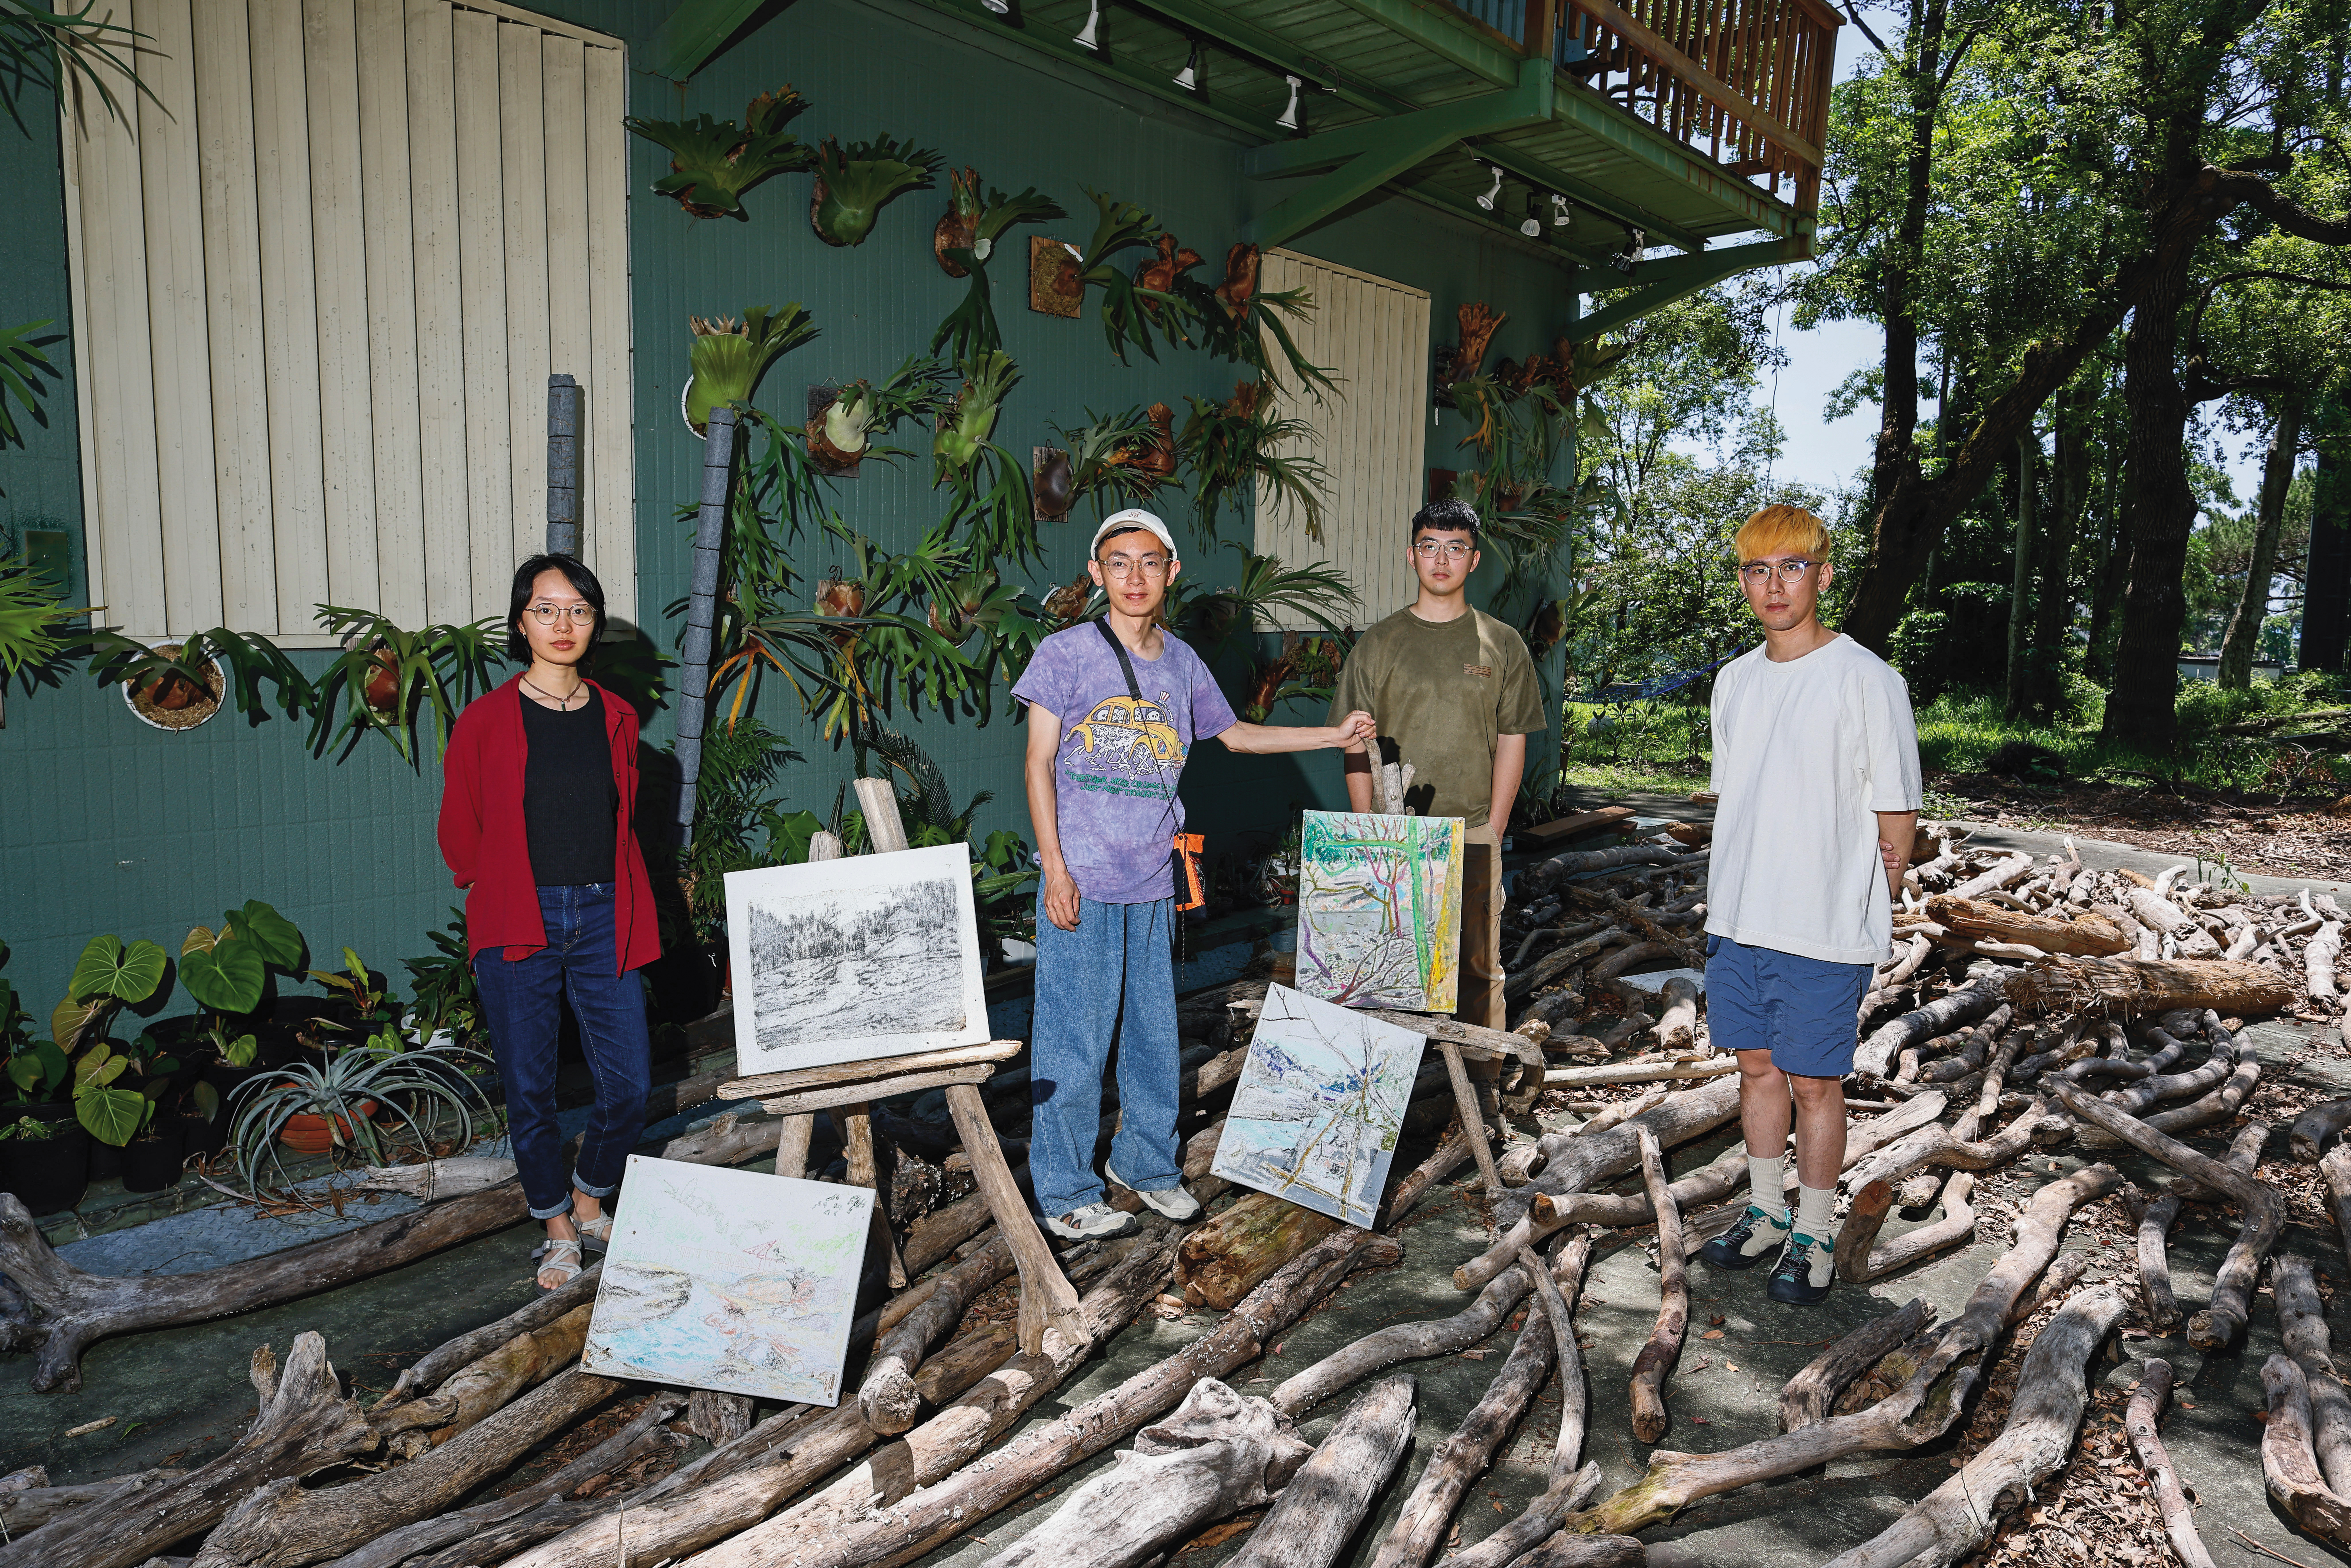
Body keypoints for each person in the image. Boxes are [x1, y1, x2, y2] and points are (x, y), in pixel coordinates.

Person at [1015, 508, 1378, 1239]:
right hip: (1082, 877)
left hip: (1153, 877)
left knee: (1152, 1035)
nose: (1134, 576)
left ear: (1171, 570)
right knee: (1073, 1039)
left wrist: (1333, 733)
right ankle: (1064, 1192)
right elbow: (1039, 763)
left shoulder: (1181, 663)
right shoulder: (1066, 653)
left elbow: (1237, 736)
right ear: (1097, 573)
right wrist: (1055, 867)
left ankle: (1144, 1163)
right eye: (1118, 562)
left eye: (1148, 561)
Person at [1694, 505, 1920, 1306]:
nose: (1773, 584)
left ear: (1824, 576)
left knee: (1817, 1083)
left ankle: (1816, 1232)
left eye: (1791, 567)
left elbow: (1897, 816)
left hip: (1822, 928)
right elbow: (1741, 800)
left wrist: (1869, 908)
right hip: (1739, 919)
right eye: (1757, 570)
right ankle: (1763, 1212)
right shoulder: (1734, 681)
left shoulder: (1868, 679)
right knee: (1757, 1070)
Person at [439, 554, 659, 1291]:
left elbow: (620, 817)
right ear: (521, 621)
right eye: (547, 609)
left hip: (604, 911)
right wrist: (500, 879)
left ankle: (591, 1194)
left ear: (594, 624)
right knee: (531, 1090)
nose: (563, 625)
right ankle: (556, 1223)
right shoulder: (483, 721)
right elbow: (459, 835)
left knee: (628, 1081)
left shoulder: (619, 716)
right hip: (518, 915)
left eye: (579, 611)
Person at [1326, 498, 1546, 1032]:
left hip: (1470, 831)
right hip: (1395, 837)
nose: (1441, 559)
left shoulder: (1503, 643)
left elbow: (1512, 738)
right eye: (1430, 547)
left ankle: (1482, 1086)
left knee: (1476, 969)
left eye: (1456, 548)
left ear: (1474, 561)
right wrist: (1370, 828)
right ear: (1412, 556)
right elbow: (1354, 743)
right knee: (1383, 970)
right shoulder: (1378, 644)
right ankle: (1395, 1096)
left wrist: (1494, 829)